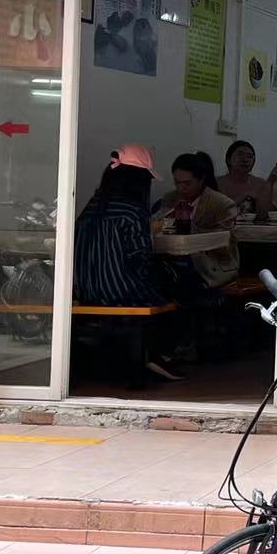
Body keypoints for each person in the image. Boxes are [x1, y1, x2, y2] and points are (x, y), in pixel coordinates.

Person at [73, 144, 182, 381]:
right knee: (179, 287)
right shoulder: (133, 212)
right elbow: (140, 260)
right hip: (123, 292)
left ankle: (150, 353)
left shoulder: (91, 207)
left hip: (86, 291)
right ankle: (158, 353)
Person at [155, 152, 240, 289]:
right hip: (175, 263)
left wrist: (192, 232)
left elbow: (227, 243)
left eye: (187, 183)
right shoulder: (170, 198)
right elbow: (161, 228)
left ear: (201, 180)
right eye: (177, 182)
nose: (181, 188)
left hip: (212, 266)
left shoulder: (221, 204)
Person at [216, 139, 270, 209]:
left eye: (249, 156)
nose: (245, 160)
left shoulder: (261, 184)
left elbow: (265, 212)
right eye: (240, 155)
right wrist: (243, 196)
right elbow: (217, 211)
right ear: (229, 160)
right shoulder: (217, 183)